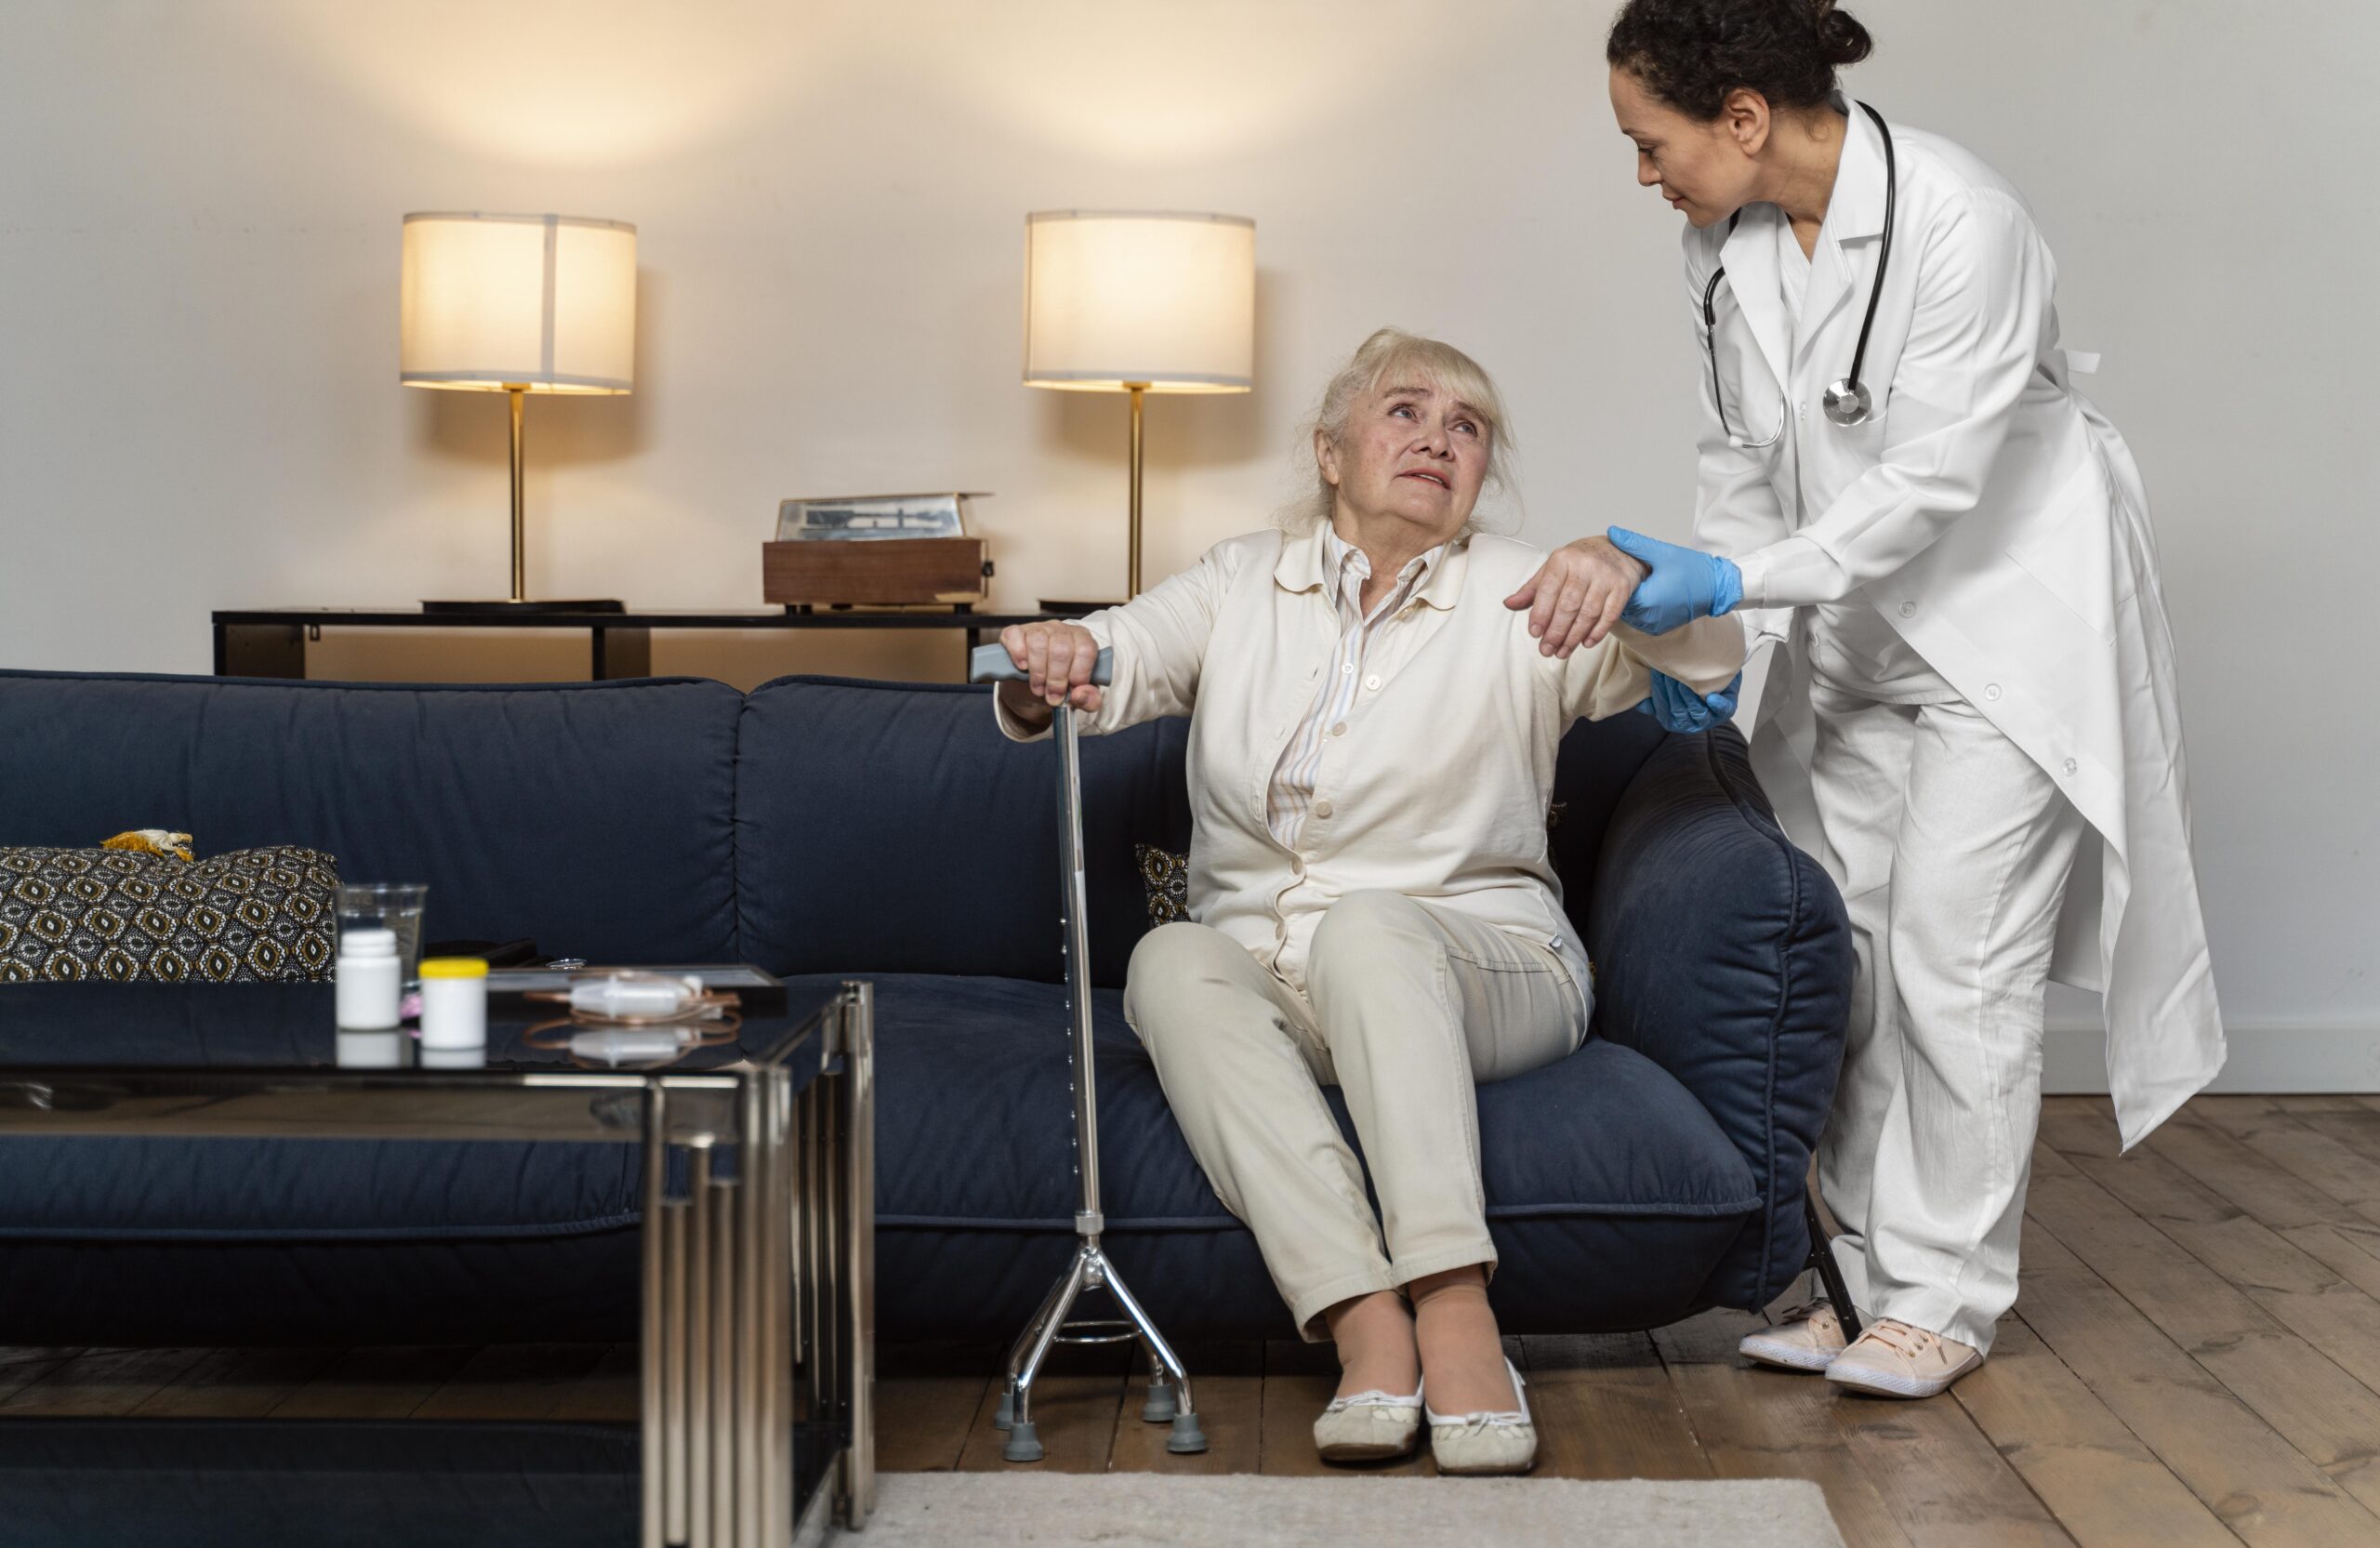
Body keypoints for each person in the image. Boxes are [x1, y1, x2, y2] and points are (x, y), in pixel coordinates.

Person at [1506, 0, 2224, 1398]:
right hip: (1850, 630)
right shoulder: (1718, 250)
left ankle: (1946, 1297)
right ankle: (1866, 1278)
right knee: (1854, 959)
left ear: (1745, 118)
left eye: (1651, 144)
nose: (1644, 175)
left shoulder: (1965, 220)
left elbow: (1929, 489)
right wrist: (1709, 649)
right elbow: (1741, 460)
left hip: (2005, 622)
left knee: (1960, 961)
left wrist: (1733, 576)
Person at [995, 328, 1741, 1471]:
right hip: (1282, 983)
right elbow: (1113, 653)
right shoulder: (1244, 578)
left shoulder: (1524, 592)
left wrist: (1632, 577)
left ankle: (1453, 1310)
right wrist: (1053, 659)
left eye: (1468, 426)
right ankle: (1361, 1317)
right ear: (1330, 452)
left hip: (1484, 967)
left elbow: (1706, 666)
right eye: (1406, 411)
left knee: (1372, 926)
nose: (1439, 438)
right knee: (1171, 963)